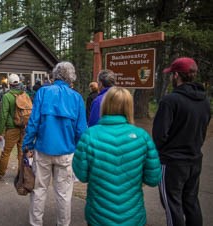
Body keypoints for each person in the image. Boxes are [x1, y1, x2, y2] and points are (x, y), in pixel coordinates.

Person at [73, 87, 161, 226]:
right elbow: (153, 178)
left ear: (105, 105)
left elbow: (81, 175)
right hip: (132, 216)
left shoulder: (90, 135)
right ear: (129, 107)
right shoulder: (142, 137)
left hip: (99, 216)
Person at [22, 62, 87, 226]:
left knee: (38, 190)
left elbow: (33, 122)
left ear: (55, 75)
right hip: (66, 152)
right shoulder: (76, 97)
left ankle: (35, 223)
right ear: (71, 77)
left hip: (43, 150)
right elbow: (81, 130)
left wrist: (27, 145)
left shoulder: (43, 92)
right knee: (64, 194)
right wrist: (78, 150)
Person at [152, 57, 211, 226]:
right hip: (194, 159)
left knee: (172, 204)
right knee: (191, 201)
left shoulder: (170, 101)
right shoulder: (205, 101)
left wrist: (163, 153)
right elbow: (203, 129)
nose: (171, 77)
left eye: (172, 74)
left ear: (177, 75)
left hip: (172, 163)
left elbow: (159, 135)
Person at [0, 73, 26, 182]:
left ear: (9, 84)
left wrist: (0, 131)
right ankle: (20, 175)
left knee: (6, 152)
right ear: (18, 82)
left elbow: (3, 115)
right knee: (21, 153)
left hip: (12, 129)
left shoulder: (7, 96)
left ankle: (0, 175)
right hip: (24, 128)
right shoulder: (25, 94)